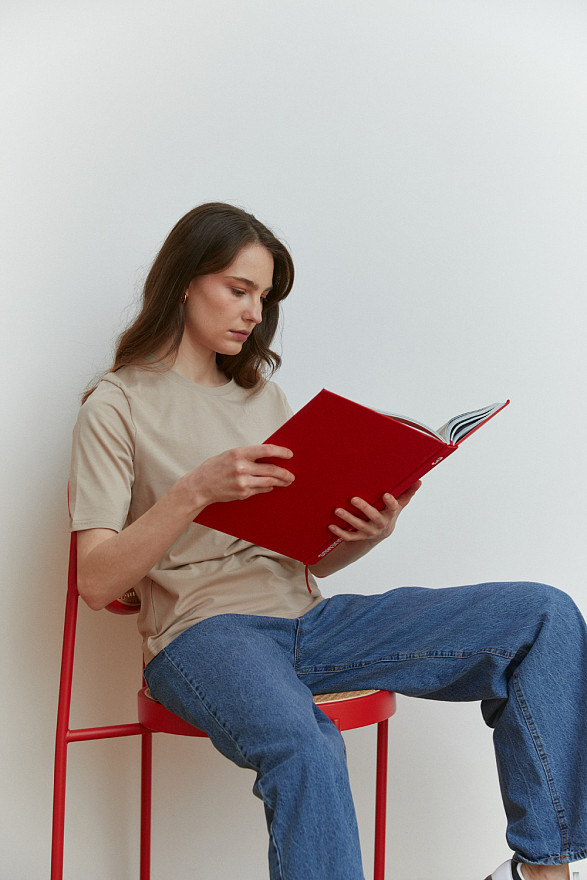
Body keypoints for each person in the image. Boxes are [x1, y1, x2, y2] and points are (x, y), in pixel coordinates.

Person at [69, 202, 587, 880]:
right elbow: (97, 581)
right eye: (239, 288)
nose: (254, 311)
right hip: (203, 636)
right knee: (305, 744)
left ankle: (542, 869)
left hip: (310, 623)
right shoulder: (116, 405)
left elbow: (300, 553)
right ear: (185, 281)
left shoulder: (264, 400)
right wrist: (194, 490)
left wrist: (367, 532)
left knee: (542, 614)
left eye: (264, 297)